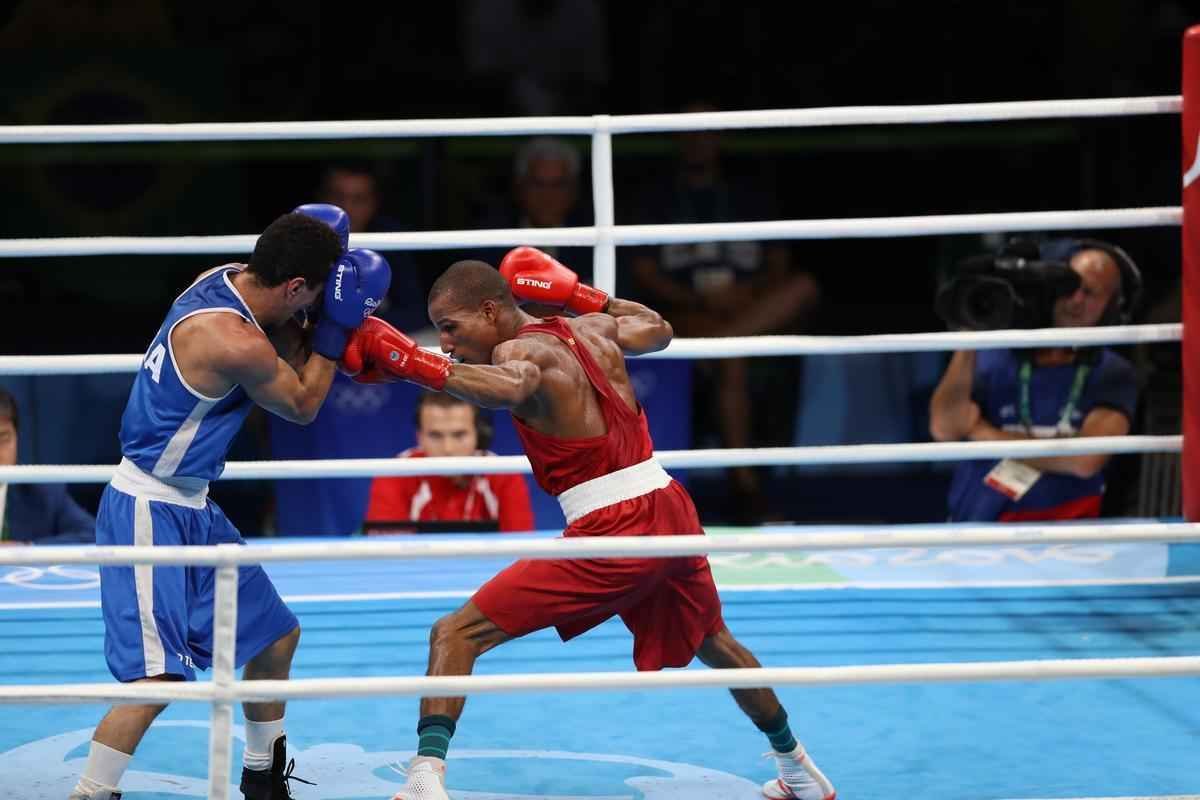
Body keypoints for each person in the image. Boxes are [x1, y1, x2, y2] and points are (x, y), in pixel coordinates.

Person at [339, 247, 835, 800]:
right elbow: (658, 328)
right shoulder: (591, 327)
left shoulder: (520, 349)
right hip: (668, 505)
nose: (447, 342)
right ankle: (798, 769)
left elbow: (509, 386)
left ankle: (425, 781)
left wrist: (419, 364)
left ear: (491, 310)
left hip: (614, 530)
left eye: (450, 328)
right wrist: (586, 297)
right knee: (713, 640)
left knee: (455, 633)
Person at [69, 205, 391, 800]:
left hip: (195, 505)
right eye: (308, 296)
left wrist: (320, 314)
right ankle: (89, 795)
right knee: (156, 680)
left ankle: (263, 775)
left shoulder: (226, 278)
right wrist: (337, 326)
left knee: (275, 638)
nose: (307, 306)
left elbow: (285, 338)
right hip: (147, 509)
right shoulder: (231, 340)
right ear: (295, 285)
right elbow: (301, 404)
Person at [629, 100, 820, 522]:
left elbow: (779, 264)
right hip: (683, 312)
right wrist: (698, 299)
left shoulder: (750, 194)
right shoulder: (656, 199)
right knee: (727, 349)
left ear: (720, 137)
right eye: (691, 131)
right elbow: (642, 272)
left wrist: (747, 293)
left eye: (707, 131)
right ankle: (745, 487)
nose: (699, 141)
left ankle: (729, 336)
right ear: (678, 138)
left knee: (801, 289)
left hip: (746, 309)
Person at [929, 238, 1141, 521]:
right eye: (1069, 287)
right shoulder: (994, 354)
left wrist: (982, 434)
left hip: (1066, 541)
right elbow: (945, 429)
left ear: (1113, 305)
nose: (1077, 300)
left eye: (1090, 293)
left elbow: (1084, 461)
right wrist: (969, 336)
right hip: (976, 529)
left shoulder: (1112, 372)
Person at [364, 391, 534, 533]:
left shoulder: (504, 475)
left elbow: (521, 556)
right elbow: (386, 560)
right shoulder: (394, 474)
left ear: (479, 434)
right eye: (435, 435)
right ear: (419, 436)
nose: (448, 448)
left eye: (459, 435)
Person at [0, 387, 96, 545]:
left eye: (3, 438)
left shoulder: (43, 491)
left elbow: (93, 535)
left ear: (17, 437)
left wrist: (26, 550)